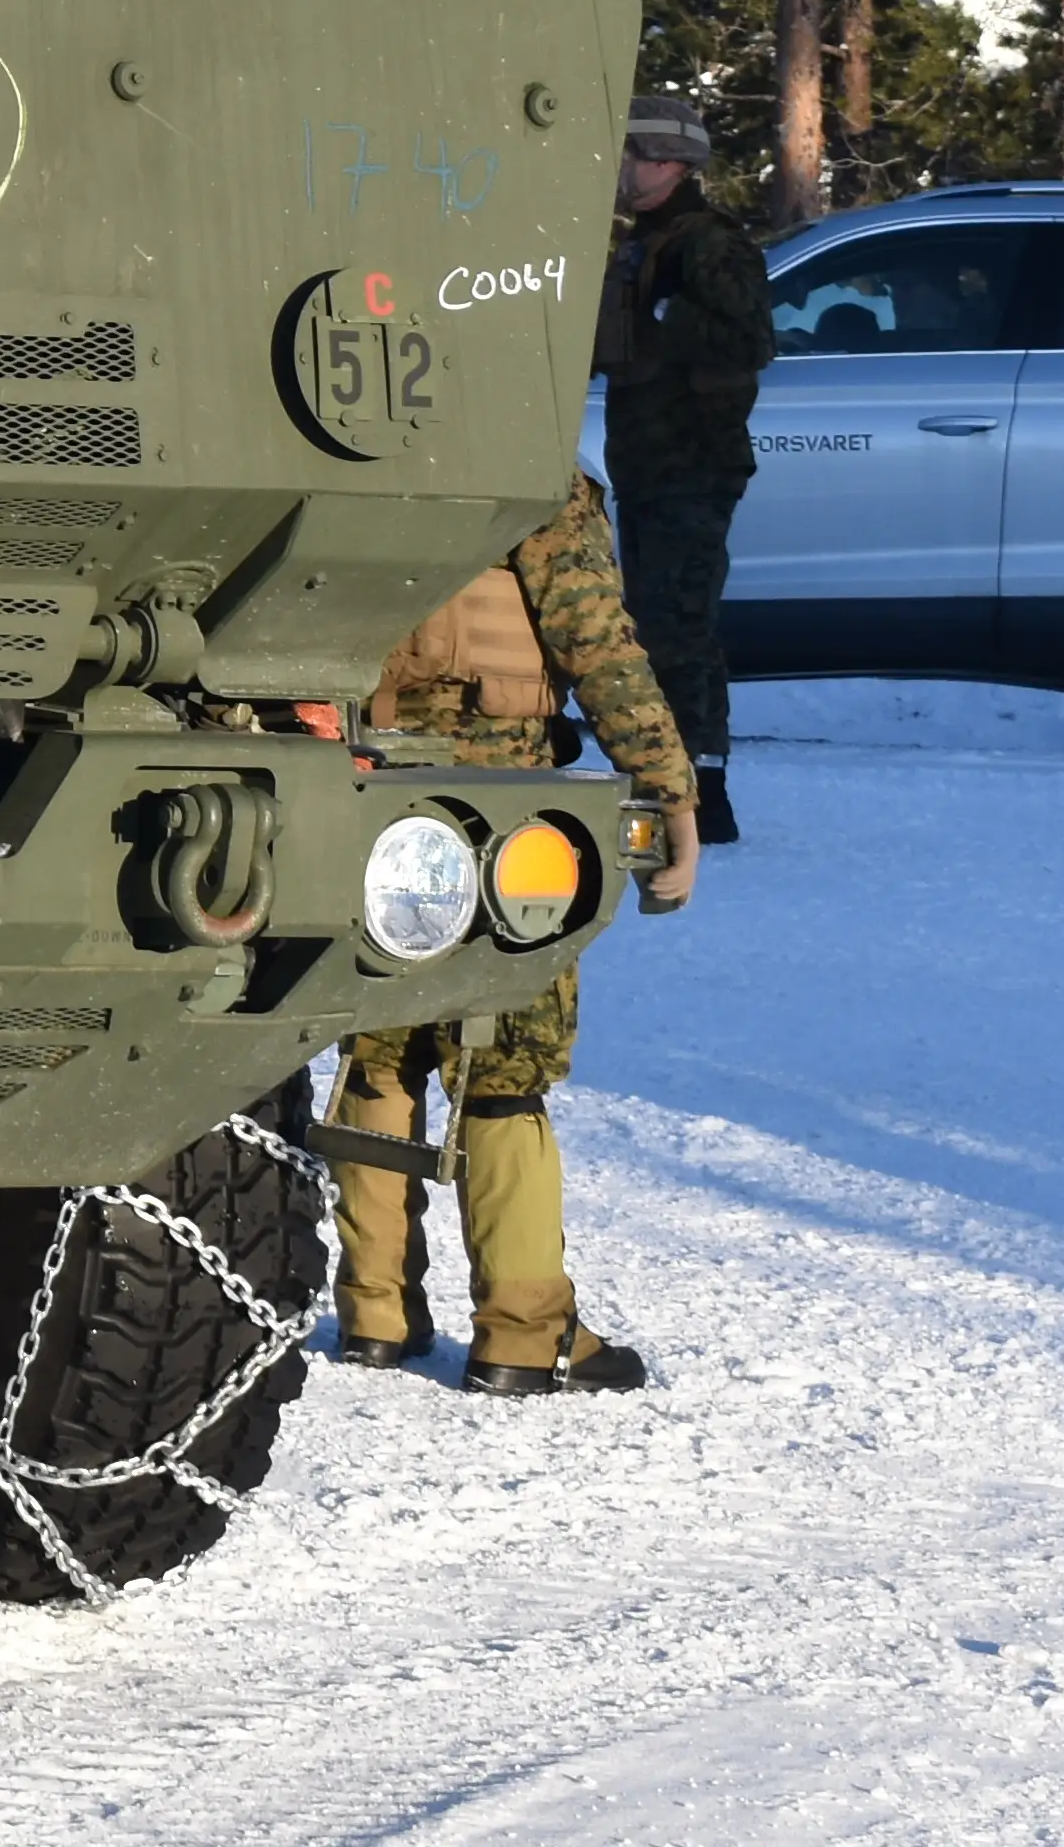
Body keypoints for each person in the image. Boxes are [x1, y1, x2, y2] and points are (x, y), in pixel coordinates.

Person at [331, 473, 705, 1393]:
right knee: (507, 1060)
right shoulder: (526, 467)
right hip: (500, 797)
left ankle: (375, 1314)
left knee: (377, 1047)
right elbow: (595, 640)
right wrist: (670, 788)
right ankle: (523, 1334)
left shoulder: (339, 457)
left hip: (361, 779)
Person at [595, 92, 773, 843]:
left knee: (680, 628)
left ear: (669, 162)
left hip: (692, 467)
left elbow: (750, 342)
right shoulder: (645, 243)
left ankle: (702, 793)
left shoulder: (708, 245)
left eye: (631, 153)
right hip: (648, 466)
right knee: (655, 624)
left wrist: (669, 318)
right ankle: (670, 783)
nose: (619, 166)